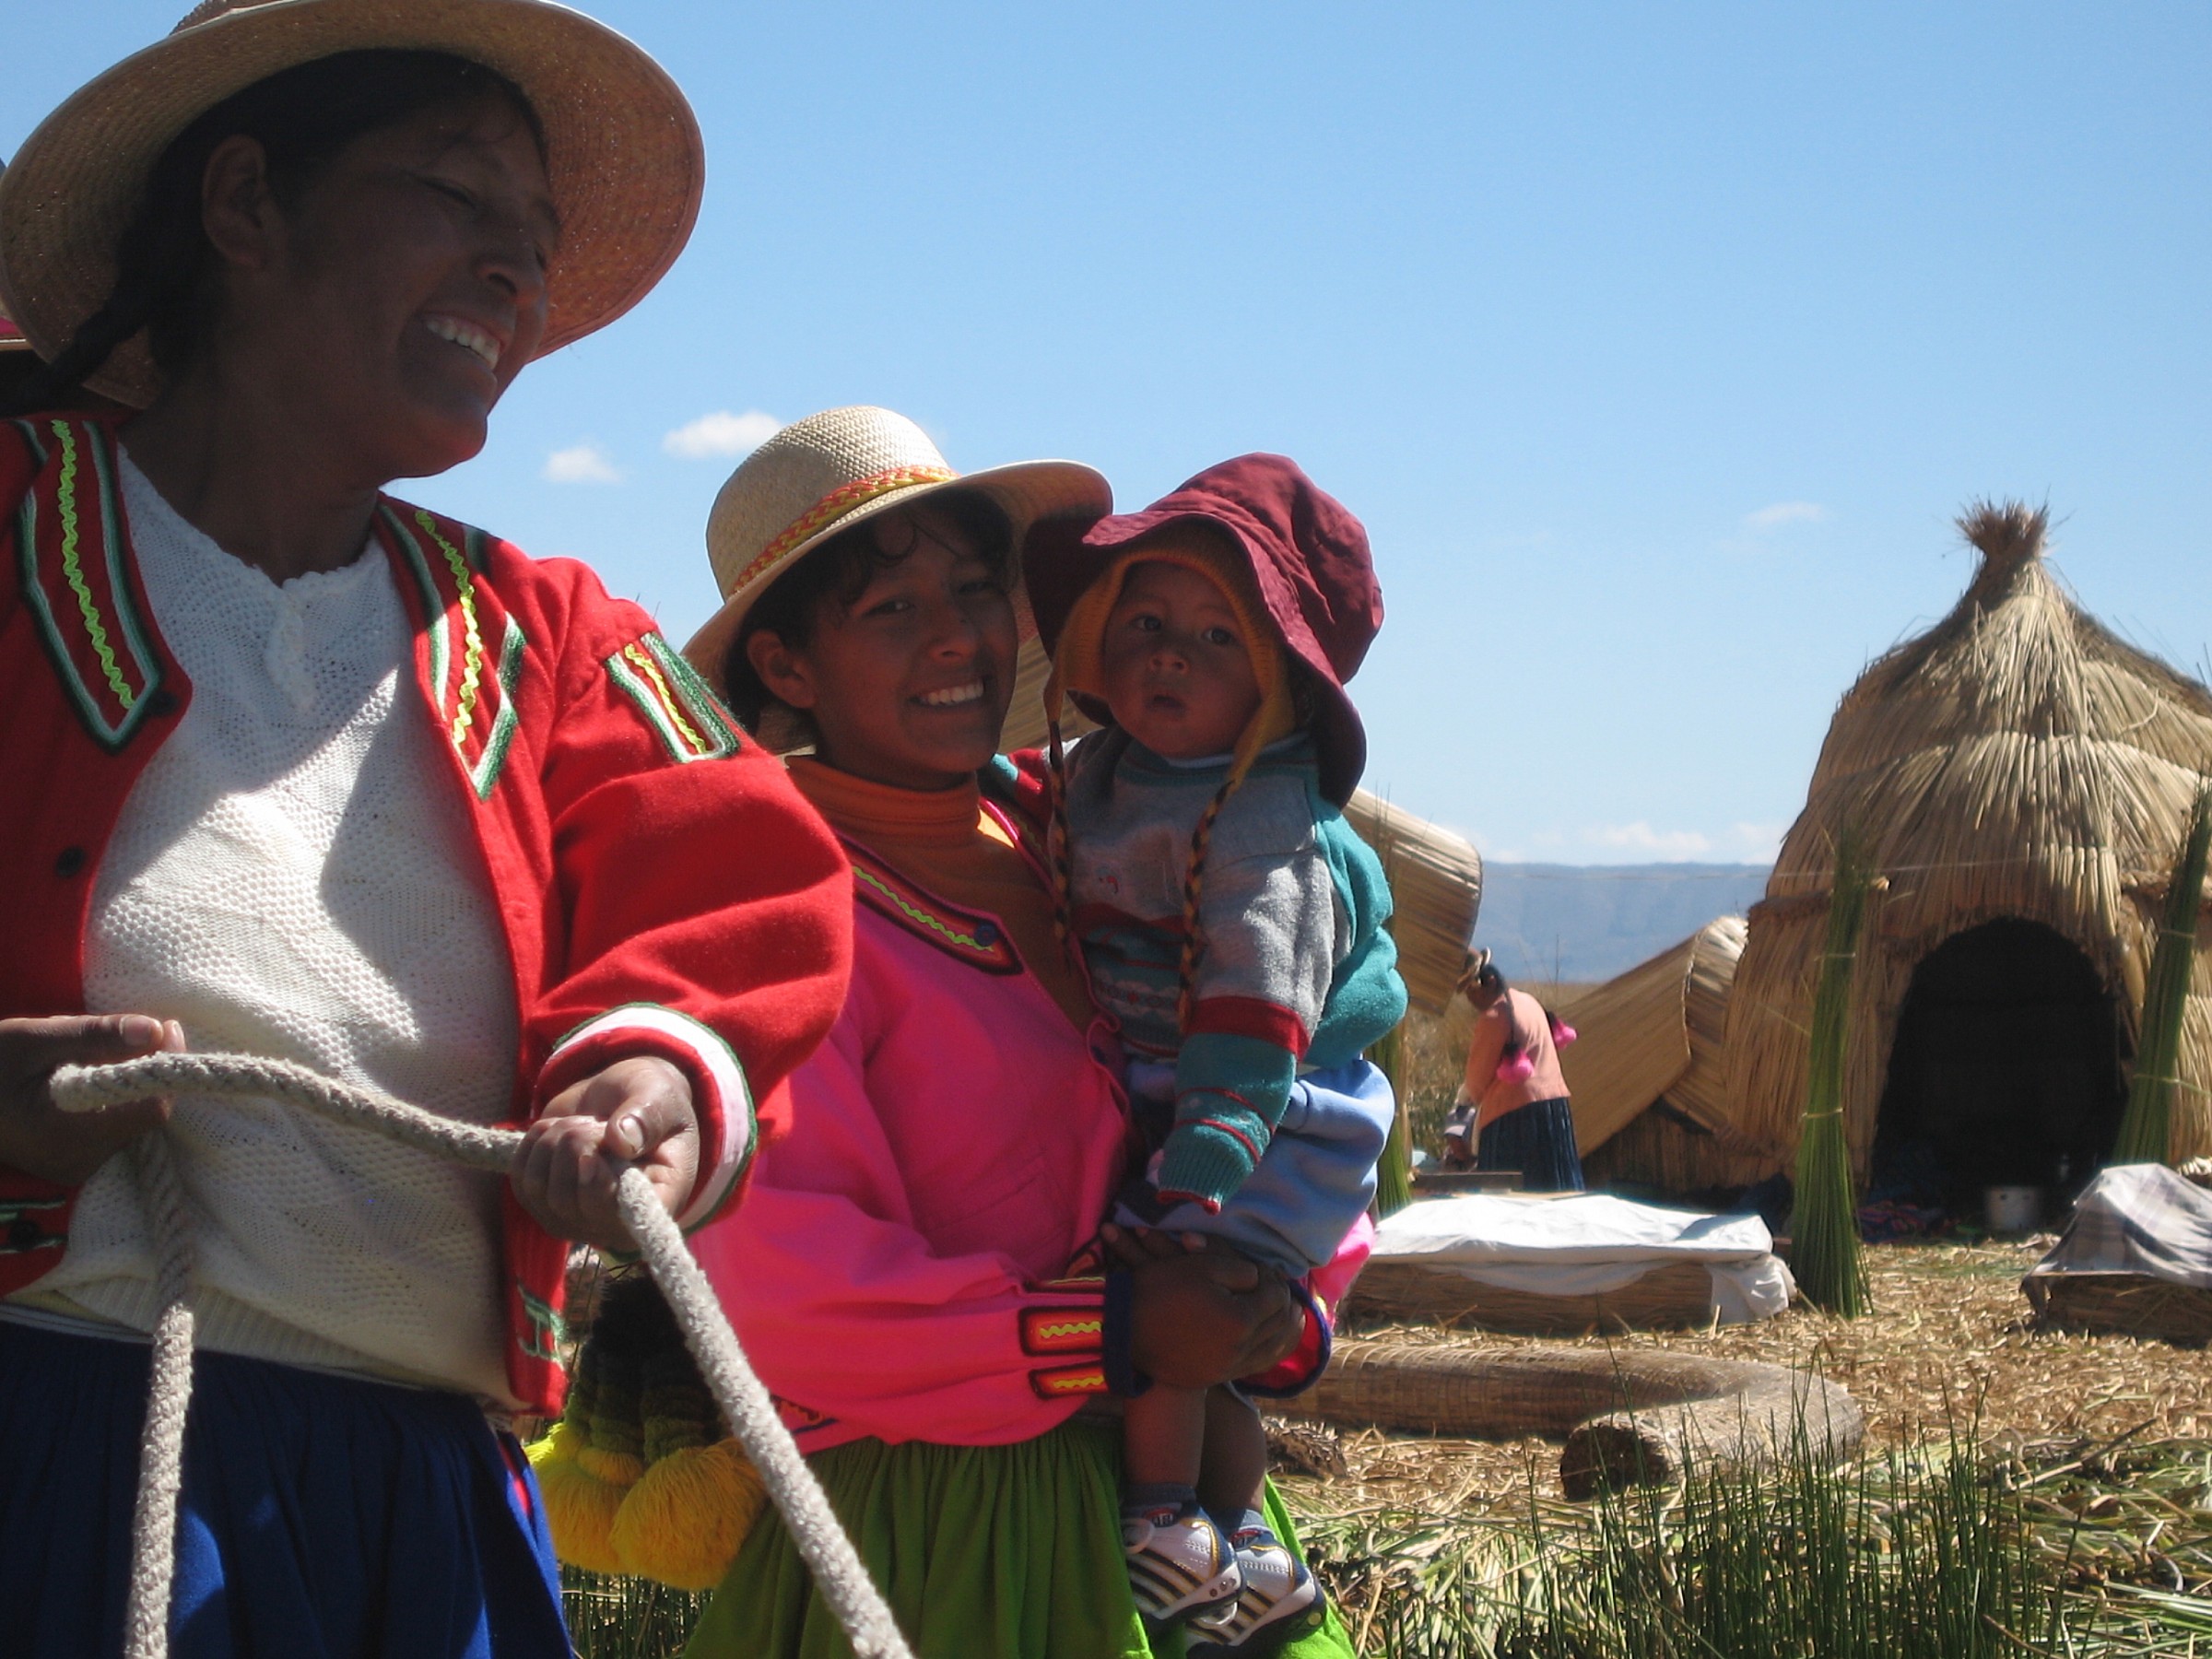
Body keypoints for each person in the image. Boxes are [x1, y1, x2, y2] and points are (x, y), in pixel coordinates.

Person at [0, 10, 851, 1655]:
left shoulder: (553, 640)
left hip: (426, 1507)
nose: (517, 274)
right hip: (57, 1445)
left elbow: (741, 883)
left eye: (534, 245)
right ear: (246, 205)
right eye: (460, 196)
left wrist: (655, 1078)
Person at [675, 406, 1365, 1658]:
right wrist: (1113, 1331)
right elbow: (787, 1284)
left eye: (978, 589)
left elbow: (1312, 1067)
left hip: (1190, 1518)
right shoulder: (772, 921)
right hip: (949, 1534)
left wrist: (1269, 1300)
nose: (959, 638)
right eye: (892, 610)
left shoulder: (1086, 830)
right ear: (784, 668)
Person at [1020, 455, 1404, 1640]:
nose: (1168, 652)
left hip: (1273, 1107)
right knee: (1210, 1344)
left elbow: (1259, 987)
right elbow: (1043, 811)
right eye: (1142, 622)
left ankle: (1164, 1521)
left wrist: (1219, 1136)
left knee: (1166, 1317)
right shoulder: (1116, 773)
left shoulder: (1262, 822)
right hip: (1187, 1091)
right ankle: (1243, 1542)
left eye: (1213, 637)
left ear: (1280, 687)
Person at [1441, 953, 1584, 1191]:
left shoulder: (1494, 1017)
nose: (1471, 1000)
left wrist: (1464, 1106)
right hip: (1553, 1106)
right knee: (1554, 1184)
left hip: (1514, 1118)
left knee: (1513, 1192)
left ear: (1489, 983)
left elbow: (1477, 1080)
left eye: (1471, 991)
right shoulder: (1528, 1001)